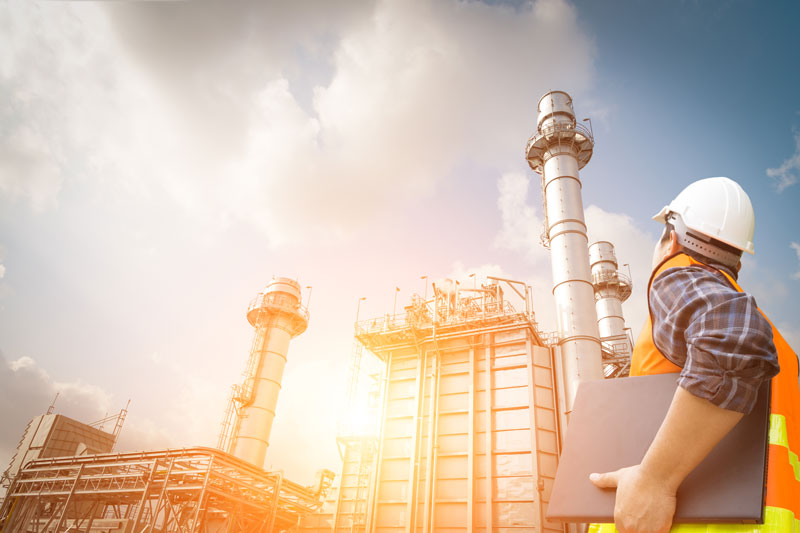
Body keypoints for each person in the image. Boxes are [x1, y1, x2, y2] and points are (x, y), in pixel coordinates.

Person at [587, 177, 800, 533]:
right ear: (737, 263)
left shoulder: (677, 274)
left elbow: (734, 339)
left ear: (671, 239)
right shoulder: (779, 343)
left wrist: (655, 479)